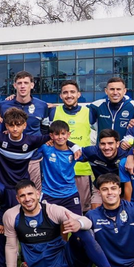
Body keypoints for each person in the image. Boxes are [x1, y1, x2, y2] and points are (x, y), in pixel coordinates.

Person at [0, 179, 134, 267]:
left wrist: (78, 223)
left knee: (83, 232)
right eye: (22, 196)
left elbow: (88, 221)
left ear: (38, 194)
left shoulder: (52, 210)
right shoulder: (11, 215)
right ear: (18, 199)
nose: (27, 198)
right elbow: (11, 246)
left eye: (30, 194)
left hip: (69, 260)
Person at [48, 80, 100, 210]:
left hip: (81, 168)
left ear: (78, 94)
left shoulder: (89, 112)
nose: (69, 95)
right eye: (65, 92)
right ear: (61, 96)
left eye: (72, 92)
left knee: (83, 209)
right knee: (57, 211)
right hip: (58, 169)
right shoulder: (53, 112)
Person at [0, 71, 49, 136]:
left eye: (26, 83)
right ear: (15, 85)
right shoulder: (3, 105)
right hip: (11, 145)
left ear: (32, 85)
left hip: (34, 145)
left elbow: (45, 129)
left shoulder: (42, 106)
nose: (22, 86)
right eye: (19, 83)